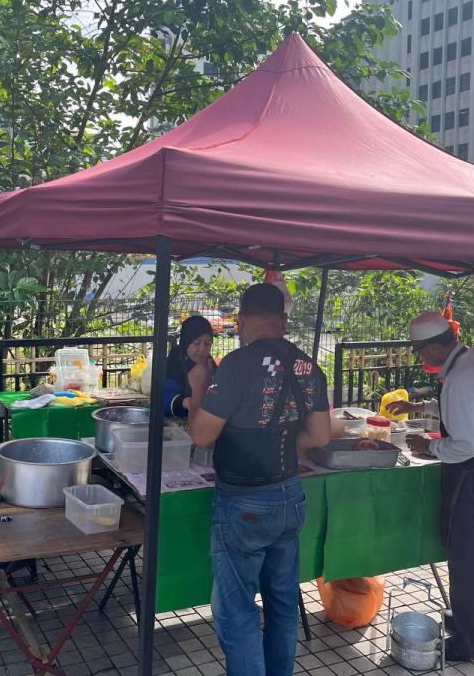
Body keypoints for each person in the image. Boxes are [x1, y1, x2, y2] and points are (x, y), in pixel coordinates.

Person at [186, 283, 331, 676]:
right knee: (283, 603)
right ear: (283, 321)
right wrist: (277, 439)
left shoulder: (236, 365)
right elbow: (320, 435)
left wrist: (198, 390)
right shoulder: (307, 365)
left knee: (237, 610)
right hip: (290, 495)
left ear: (241, 320)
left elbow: (202, 434)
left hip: (243, 501)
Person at [393, 312, 474, 664]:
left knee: (473, 559)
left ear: (437, 346)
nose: (422, 359)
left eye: (422, 352)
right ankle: (470, 619)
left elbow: (467, 443)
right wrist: (419, 406)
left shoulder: (459, 379)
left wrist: (430, 447)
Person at [164, 315, 216, 417]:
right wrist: (186, 402)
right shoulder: (174, 362)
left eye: (207, 344)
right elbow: (164, 396)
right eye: (196, 343)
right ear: (185, 343)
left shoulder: (209, 363)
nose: (202, 349)